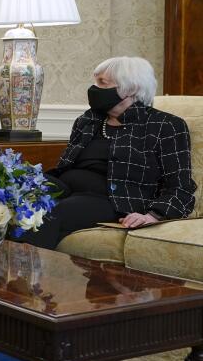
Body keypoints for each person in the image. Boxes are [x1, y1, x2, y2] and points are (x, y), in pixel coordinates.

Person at [17, 56, 196, 250]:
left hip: (113, 199)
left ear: (131, 88)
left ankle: (23, 276)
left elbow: (180, 186)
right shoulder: (88, 120)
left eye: (102, 83)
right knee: (15, 196)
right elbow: (65, 164)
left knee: (51, 213)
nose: (94, 89)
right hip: (67, 186)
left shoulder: (166, 125)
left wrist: (153, 215)